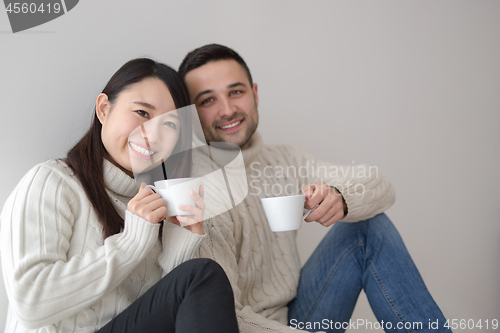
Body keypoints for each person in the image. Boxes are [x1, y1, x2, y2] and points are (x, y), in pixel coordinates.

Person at [178, 44, 452, 333]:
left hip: (299, 316)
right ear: (191, 115)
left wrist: (342, 198)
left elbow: (382, 186)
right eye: (208, 100)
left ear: (255, 94)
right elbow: (224, 318)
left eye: (236, 92)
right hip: (244, 328)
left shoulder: (285, 158)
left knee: (367, 227)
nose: (228, 109)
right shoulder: (194, 189)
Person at [0, 58, 239, 333]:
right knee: (201, 275)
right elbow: (29, 304)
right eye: (142, 113)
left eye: (170, 125)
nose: (153, 135)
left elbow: (163, 316)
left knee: (197, 274)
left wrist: (180, 243)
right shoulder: (51, 182)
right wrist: (130, 243)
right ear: (104, 109)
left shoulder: (158, 205)